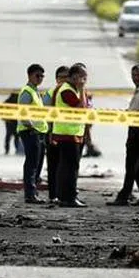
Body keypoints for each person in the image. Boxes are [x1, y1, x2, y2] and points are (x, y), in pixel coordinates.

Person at [109, 64, 139, 207]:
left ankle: (124, 196)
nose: (135, 78)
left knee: (131, 165)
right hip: (133, 129)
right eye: (133, 75)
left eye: (138, 75)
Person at [51, 63, 89, 207]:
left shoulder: (73, 89)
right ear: (75, 77)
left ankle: (64, 196)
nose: (85, 80)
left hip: (73, 133)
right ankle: (69, 197)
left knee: (67, 166)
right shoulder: (67, 90)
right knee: (70, 168)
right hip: (67, 134)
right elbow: (82, 108)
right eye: (83, 77)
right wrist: (82, 89)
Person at [16, 64, 48, 204]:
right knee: (32, 164)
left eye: (42, 76)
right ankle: (30, 194)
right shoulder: (27, 92)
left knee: (38, 163)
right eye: (37, 75)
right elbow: (23, 113)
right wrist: (31, 127)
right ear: (29, 75)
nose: (40, 78)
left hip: (39, 132)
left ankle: (33, 192)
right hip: (29, 132)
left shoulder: (36, 92)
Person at [44, 66, 69, 203]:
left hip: (69, 135)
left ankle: (64, 193)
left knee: (66, 167)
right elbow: (46, 115)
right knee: (53, 166)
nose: (64, 80)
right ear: (56, 79)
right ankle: (53, 194)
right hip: (53, 134)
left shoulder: (73, 92)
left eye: (66, 77)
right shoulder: (50, 93)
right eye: (61, 77)